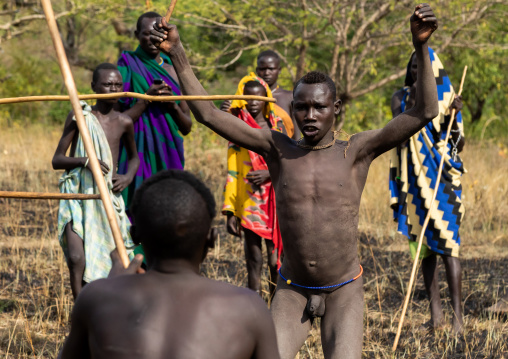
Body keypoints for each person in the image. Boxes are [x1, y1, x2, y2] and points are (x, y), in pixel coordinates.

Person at [151, 4, 439, 357]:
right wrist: (178, 53)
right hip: (291, 289)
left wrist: (421, 46)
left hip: (343, 289)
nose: (310, 115)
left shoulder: (358, 151)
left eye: (319, 107)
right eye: (301, 107)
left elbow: (424, 111)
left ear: (336, 109)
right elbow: (207, 113)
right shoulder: (276, 147)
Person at [57, 170, 280, 359]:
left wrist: (112, 288)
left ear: (134, 236)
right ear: (211, 239)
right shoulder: (249, 308)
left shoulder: (96, 298)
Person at [389, 49, 466, 333]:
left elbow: (458, 144)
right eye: (414, 65)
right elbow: (401, 129)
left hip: (443, 180)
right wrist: (418, 100)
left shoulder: (447, 99)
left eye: (423, 66)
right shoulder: (401, 97)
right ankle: (436, 317)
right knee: (425, 251)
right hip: (413, 181)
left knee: (449, 245)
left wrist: (454, 115)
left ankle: (457, 319)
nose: (417, 70)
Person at [52, 63, 139, 299]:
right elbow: (57, 160)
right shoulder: (80, 116)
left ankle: (103, 306)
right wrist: (85, 161)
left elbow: (134, 158)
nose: (113, 88)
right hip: (78, 194)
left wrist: (128, 176)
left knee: (111, 256)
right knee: (76, 257)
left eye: (118, 84)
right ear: (93, 87)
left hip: (107, 196)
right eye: (107, 84)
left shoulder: (124, 122)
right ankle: (80, 307)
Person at [116, 11, 192, 212]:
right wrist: (146, 100)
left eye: (158, 34)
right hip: (134, 154)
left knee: (168, 210)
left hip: (168, 151)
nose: (152, 39)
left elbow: (187, 127)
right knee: (136, 210)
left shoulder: (174, 71)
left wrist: (172, 106)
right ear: (136, 35)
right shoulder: (125, 67)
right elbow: (115, 121)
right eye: (146, 34)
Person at [223, 75, 287, 299]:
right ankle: (255, 307)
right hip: (248, 199)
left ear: (266, 99)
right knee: (253, 258)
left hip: (274, 199)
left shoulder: (277, 126)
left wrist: (269, 173)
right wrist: (230, 210)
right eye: (247, 97)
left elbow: (287, 160)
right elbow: (232, 170)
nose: (252, 102)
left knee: (274, 258)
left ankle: (277, 308)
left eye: (257, 97)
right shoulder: (237, 128)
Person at [221, 50, 297, 139]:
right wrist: (223, 113)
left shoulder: (290, 97)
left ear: (279, 70)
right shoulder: (244, 96)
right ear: (257, 70)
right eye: (262, 69)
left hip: (284, 149)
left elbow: (296, 133)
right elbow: (235, 126)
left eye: (271, 69)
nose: (267, 73)